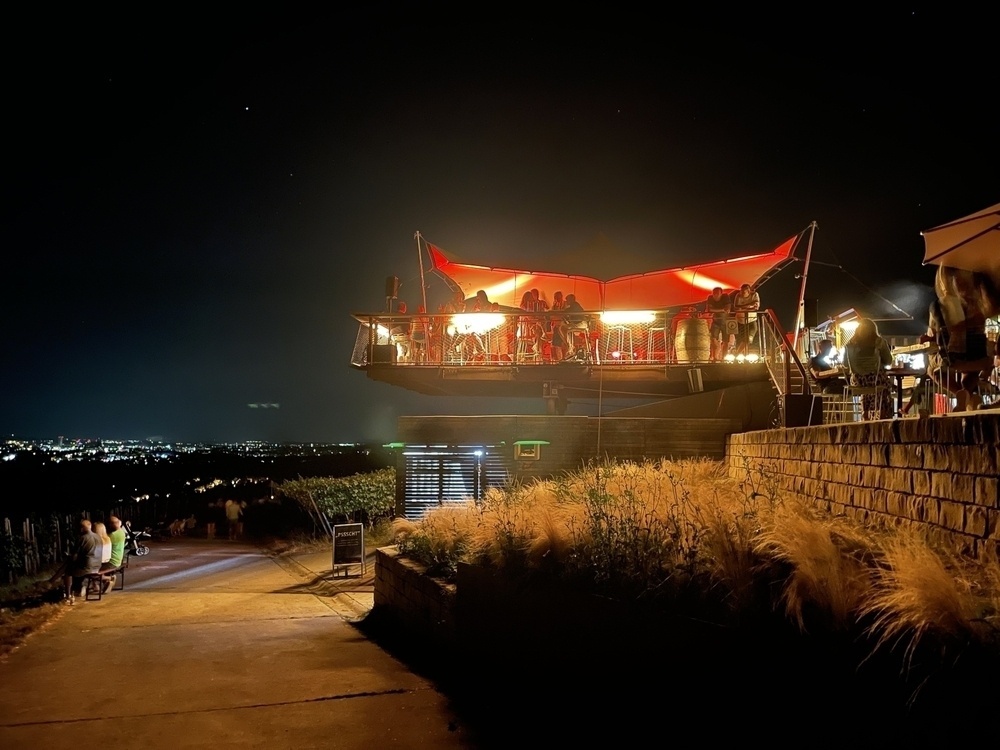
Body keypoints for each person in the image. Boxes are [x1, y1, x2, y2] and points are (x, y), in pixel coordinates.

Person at [933, 265, 994, 411]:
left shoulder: (949, 306)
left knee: (934, 371)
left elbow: (940, 333)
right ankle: (966, 395)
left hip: (955, 356)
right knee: (971, 370)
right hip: (977, 356)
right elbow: (980, 321)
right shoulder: (978, 303)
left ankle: (965, 396)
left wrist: (956, 328)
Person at [843, 318, 893, 419]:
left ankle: (865, 416)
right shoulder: (879, 342)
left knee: (867, 391)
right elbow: (888, 361)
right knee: (883, 386)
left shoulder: (849, 344)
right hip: (874, 380)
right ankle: (881, 415)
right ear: (874, 330)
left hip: (857, 381)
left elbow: (846, 364)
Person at [63, 519, 102, 604]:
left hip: (87, 567)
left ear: (81, 528)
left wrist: (69, 556)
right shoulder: (98, 536)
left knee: (68, 572)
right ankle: (79, 587)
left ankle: (68, 595)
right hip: (98, 565)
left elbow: (74, 556)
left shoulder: (82, 538)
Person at [731, 283, 760, 356]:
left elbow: (756, 307)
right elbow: (736, 308)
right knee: (740, 340)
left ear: (748, 291)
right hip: (740, 321)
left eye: (744, 292)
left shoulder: (754, 295)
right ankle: (742, 357)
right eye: (741, 291)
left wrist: (742, 307)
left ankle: (737, 354)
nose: (742, 293)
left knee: (748, 339)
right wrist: (749, 306)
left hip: (751, 320)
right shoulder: (738, 295)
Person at [703, 287, 732, 362]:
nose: (715, 295)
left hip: (726, 322)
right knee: (713, 339)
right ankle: (715, 357)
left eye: (717, 294)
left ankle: (724, 358)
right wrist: (722, 310)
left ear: (721, 294)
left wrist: (715, 310)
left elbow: (728, 309)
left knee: (726, 341)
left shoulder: (725, 297)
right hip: (715, 321)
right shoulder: (710, 298)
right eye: (714, 293)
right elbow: (709, 310)